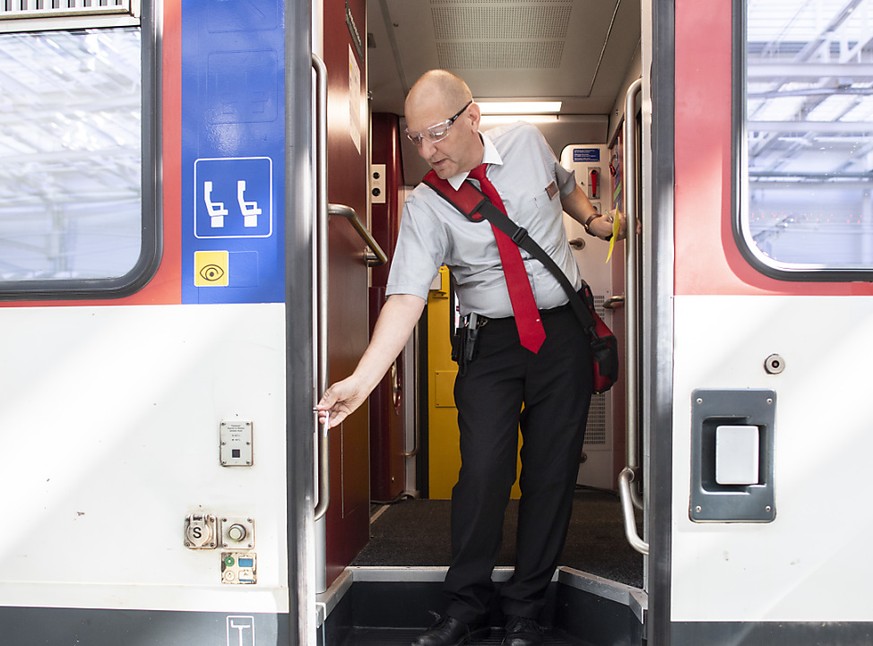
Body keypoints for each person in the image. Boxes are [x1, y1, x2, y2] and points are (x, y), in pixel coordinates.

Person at [316, 70, 624, 646]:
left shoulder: (530, 143)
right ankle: (465, 607)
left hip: (562, 335)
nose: (428, 151)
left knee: (550, 474)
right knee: (482, 473)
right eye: (415, 140)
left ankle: (526, 609)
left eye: (436, 134)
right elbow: (406, 294)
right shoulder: (428, 205)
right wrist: (362, 380)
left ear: (473, 116)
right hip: (491, 345)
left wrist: (594, 220)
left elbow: (565, 184)